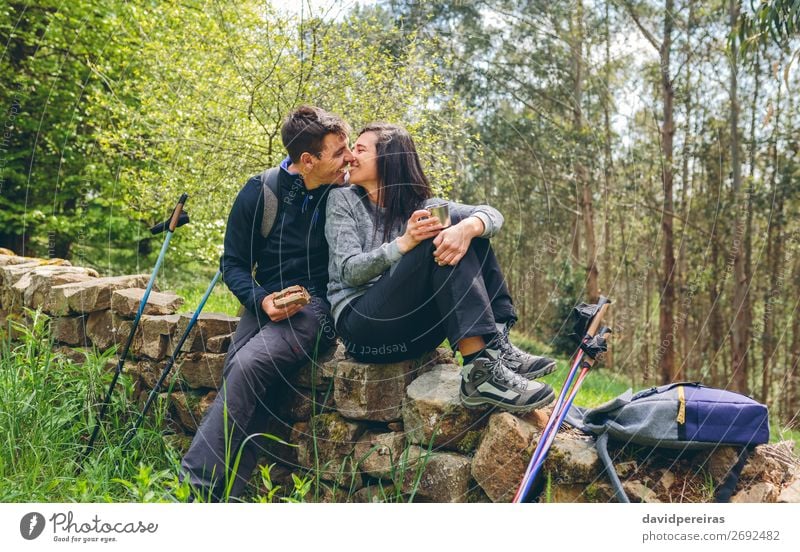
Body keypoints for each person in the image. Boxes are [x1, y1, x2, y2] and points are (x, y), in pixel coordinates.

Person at [181, 106, 353, 501]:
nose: (349, 158)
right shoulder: (261, 192)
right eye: (339, 152)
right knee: (241, 374)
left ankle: (193, 491)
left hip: (320, 307)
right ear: (307, 160)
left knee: (247, 364)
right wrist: (262, 301)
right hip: (267, 305)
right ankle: (228, 497)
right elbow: (234, 265)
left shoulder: (347, 194)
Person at [325, 123, 556, 413]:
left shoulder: (423, 205)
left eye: (360, 149)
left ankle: (496, 346)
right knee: (439, 235)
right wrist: (404, 243)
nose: (350, 157)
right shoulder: (342, 199)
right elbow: (348, 270)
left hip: (417, 333)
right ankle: (479, 375)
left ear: (389, 159)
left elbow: (491, 215)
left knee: (466, 232)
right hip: (363, 329)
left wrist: (470, 228)